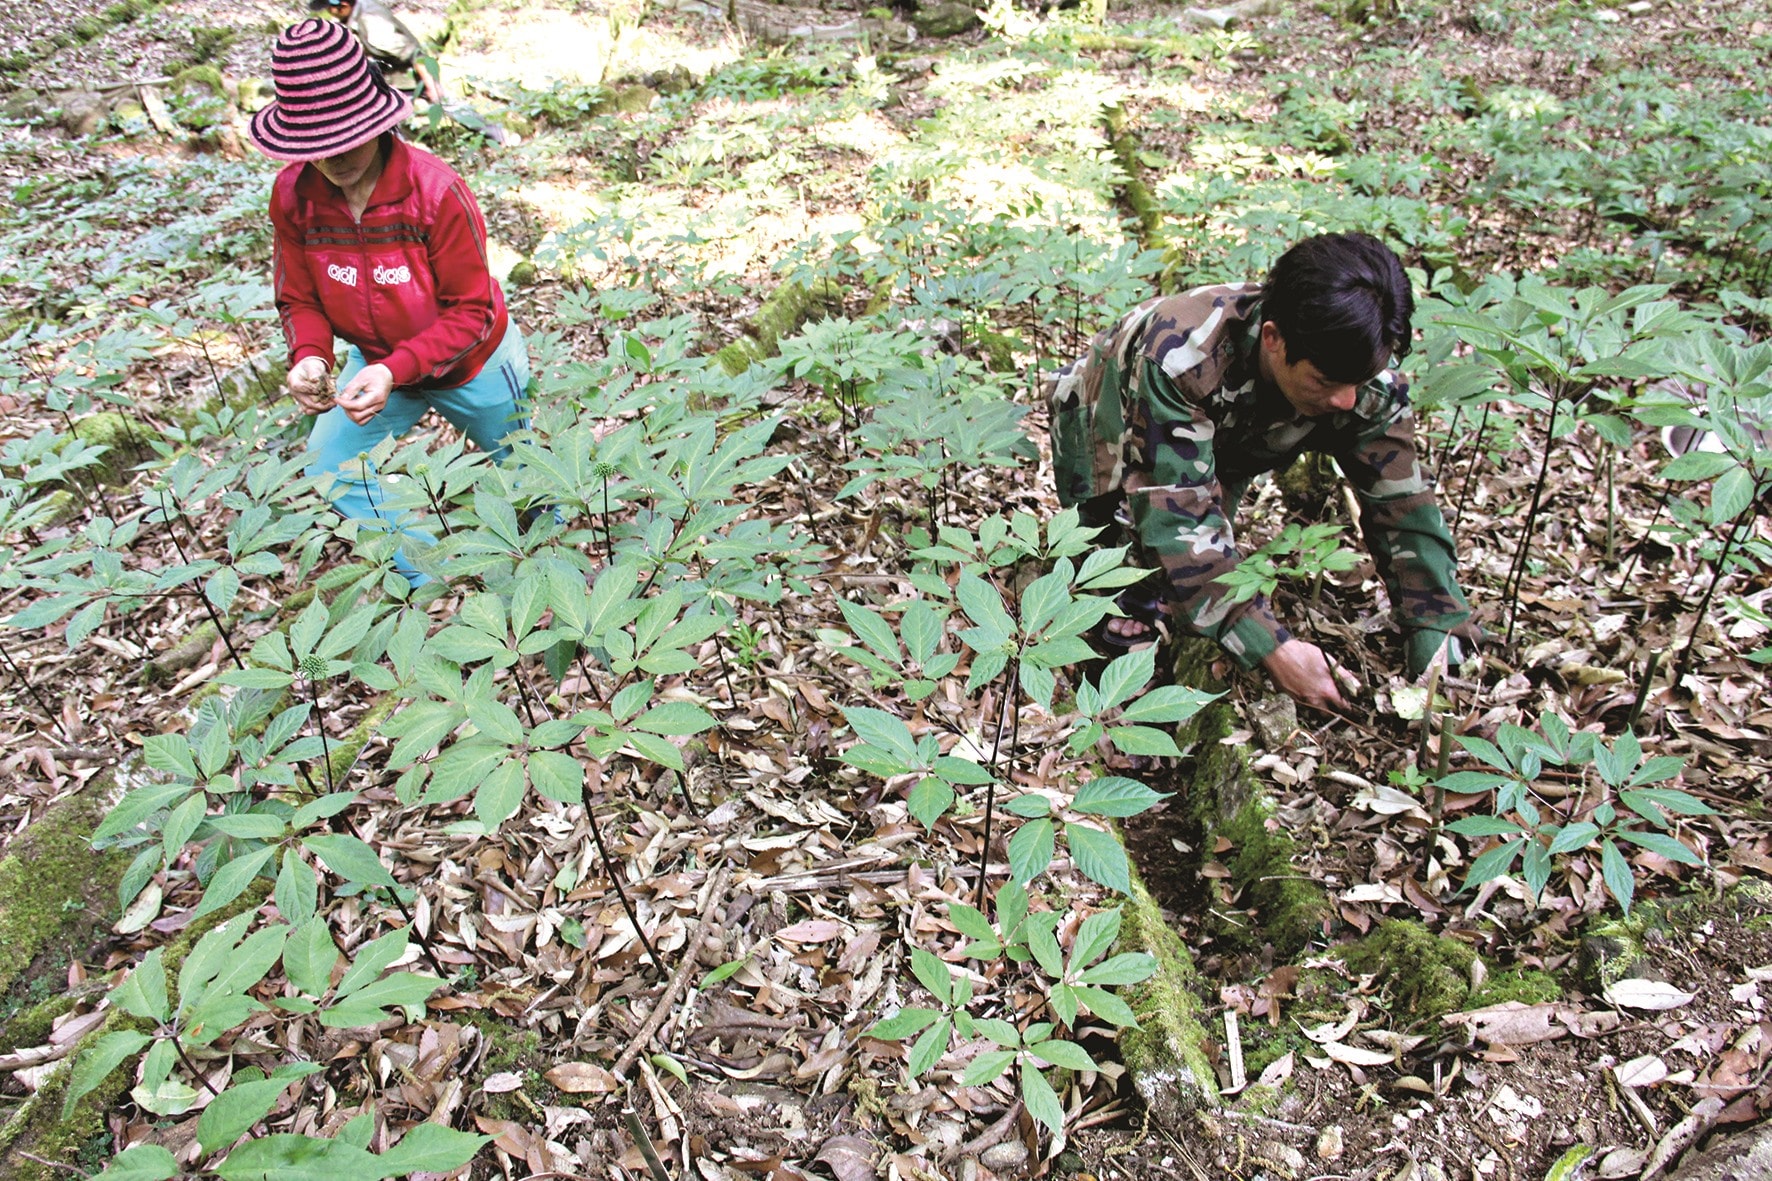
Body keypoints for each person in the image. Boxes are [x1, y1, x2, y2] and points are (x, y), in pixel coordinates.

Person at [1046, 232, 1480, 713]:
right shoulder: (1180, 356)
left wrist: (1435, 622)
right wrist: (1270, 646)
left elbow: (1402, 503)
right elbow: (1174, 509)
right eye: (1328, 383)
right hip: (1105, 404)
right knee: (1113, 534)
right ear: (1273, 339)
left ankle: (1168, 592)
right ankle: (1129, 605)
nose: (1347, 402)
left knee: (1208, 525)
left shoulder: (1357, 368)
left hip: (1237, 424)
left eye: (1357, 383)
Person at [249, 18, 531, 587]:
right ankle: (435, 581)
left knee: (527, 475)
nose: (332, 156)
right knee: (332, 470)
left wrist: (391, 367)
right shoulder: (294, 196)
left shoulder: (434, 191)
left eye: (344, 137)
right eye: (315, 145)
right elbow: (299, 294)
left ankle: (549, 587)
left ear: (376, 121)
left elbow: (471, 310)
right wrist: (310, 354)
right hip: (376, 362)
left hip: (474, 364)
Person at [309, 0, 440, 103]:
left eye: (328, 8)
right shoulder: (355, 9)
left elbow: (414, 54)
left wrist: (432, 86)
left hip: (406, 83)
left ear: (343, 6)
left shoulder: (373, 25)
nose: (329, 12)